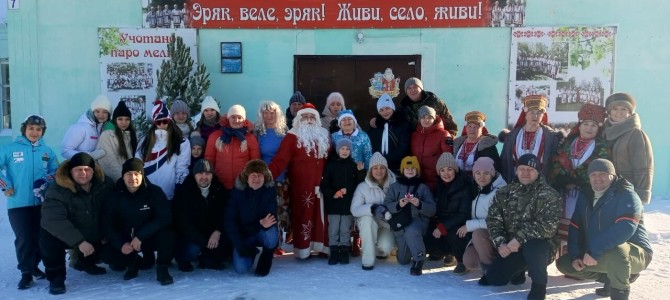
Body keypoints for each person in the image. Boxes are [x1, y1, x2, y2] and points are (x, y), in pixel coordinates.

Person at [556, 159, 653, 300]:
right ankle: (610, 278)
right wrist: (576, 255)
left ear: (612, 176)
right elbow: (576, 227)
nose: (598, 178)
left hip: (636, 252)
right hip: (600, 251)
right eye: (593, 174)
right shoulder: (585, 196)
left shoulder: (627, 194)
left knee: (617, 252)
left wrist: (593, 251)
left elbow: (625, 226)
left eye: (603, 173)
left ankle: (620, 292)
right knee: (565, 264)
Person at [482, 154, 562, 300]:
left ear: (538, 171)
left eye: (530, 169)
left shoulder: (549, 194)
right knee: (495, 279)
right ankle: (518, 271)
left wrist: (519, 239)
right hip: (512, 247)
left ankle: (539, 286)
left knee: (533, 246)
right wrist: (501, 244)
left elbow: (548, 226)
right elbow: (493, 220)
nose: (525, 173)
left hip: (540, 247)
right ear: (516, 171)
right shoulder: (504, 192)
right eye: (521, 169)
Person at [40, 153, 114, 295]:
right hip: (71, 236)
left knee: (118, 260)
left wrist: (109, 234)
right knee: (48, 237)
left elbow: (115, 209)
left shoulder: (105, 185)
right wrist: (79, 241)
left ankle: (87, 262)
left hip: (96, 233)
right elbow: (53, 220)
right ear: (70, 171)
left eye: (87, 169)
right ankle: (56, 277)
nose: (83, 173)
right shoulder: (58, 190)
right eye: (78, 169)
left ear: (93, 170)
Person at [1, 115, 58, 289]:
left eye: (39, 129)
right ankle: (26, 273)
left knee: (42, 238)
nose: (35, 132)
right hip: (18, 204)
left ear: (43, 131)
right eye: (31, 128)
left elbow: (57, 172)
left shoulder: (47, 151)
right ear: (24, 129)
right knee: (25, 238)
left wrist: (46, 181)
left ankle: (34, 266)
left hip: (41, 203)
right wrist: (6, 185)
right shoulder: (9, 149)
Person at [268, 103, 330, 259]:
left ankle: (322, 247)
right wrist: (266, 174)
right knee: (304, 216)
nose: (308, 120)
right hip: (301, 185)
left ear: (316, 119)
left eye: (312, 117)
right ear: (299, 119)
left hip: (322, 185)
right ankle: (304, 249)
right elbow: (280, 160)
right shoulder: (292, 136)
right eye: (305, 116)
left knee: (322, 216)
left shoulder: (324, 134)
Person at [548, 103, 609, 256]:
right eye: (586, 124)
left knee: (579, 226)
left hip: (586, 194)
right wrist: (563, 180)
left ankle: (576, 260)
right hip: (564, 194)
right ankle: (561, 258)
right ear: (580, 126)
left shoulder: (602, 146)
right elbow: (557, 161)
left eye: (593, 125)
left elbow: (599, 168)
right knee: (560, 225)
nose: (589, 128)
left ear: (598, 128)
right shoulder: (568, 142)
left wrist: (575, 180)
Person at [102, 158, 174, 285]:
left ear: (142, 176)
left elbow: (164, 217)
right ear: (123, 176)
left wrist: (141, 236)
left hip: (147, 237)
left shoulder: (154, 192)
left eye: (137, 174)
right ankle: (132, 263)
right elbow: (107, 224)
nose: (133, 177)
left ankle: (162, 267)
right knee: (107, 253)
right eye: (129, 174)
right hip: (126, 240)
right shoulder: (114, 196)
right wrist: (121, 244)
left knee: (167, 234)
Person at [174, 158, 230, 271]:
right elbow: (184, 223)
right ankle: (184, 258)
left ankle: (208, 257)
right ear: (194, 174)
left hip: (212, 234)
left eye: (208, 173)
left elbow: (224, 213)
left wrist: (218, 231)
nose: (204, 177)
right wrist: (204, 243)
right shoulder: (184, 191)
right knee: (192, 251)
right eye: (200, 173)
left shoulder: (219, 189)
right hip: (192, 236)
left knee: (222, 249)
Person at [383, 156, 436, 275]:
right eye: (407, 168)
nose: (410, 170)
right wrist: (398, 204)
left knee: (412, 231)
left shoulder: (423, 187)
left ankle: (418, 259)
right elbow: (386, 204)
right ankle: (408, 249)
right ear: (402, 170)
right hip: (401, 221)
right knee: (402, 260)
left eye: (413, 168)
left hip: (418, 220)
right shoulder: (395, 186)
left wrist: (419, 204)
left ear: (417, 170)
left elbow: (432, 209)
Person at [226, 160, 279, 276]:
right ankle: (252, 252)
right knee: (240, 268)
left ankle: (267, 255)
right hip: (244, 234)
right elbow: (230, 222)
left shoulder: (270, 191)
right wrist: (240, 246)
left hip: (261, 231)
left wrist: (260, 224)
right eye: (253, 175)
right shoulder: (237, 192)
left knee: (271, 233)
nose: (256, 179)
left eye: (260, 175)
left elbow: (271, 217)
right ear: (247, 177)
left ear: (265, 177)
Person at [427, 153, 475, 275]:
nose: (446, 173)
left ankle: (462, 261)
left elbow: (464, 214)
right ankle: (445, 253)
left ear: (455, 170)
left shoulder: (464, 186)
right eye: (442, 170)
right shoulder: (439, 185)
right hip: (443, 222)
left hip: (460, 224)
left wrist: (443, 226)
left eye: (449, 169)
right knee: (427, 232)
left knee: (454, 233)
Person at [601, 93, 654, 204]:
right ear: (609, 112)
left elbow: (643, 168)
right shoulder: (603, 132)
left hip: (627, 191)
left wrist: (640, 196)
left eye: (623, 109)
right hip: (604, 190)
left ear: (630, 112)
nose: (619, 113)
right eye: (615, 109)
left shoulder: (635, 134)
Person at [254, 100, 291, 255]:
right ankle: (270, 242)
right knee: (267, 211)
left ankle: (278, 243)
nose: (269, 116)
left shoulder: (284, 132)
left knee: (281, 211)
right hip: (264, 179)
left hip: (282, 179)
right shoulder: (258, 133)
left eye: (272, 112)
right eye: (266, 113)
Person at [321, 138, 366, 265]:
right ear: (338, 150)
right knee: (334, 229)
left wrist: (360, 172)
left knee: (345, 229)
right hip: (334, 204)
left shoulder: (353, 165)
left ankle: (344, 251)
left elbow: (359, 185)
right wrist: (333, 193)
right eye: (342, 148)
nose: (345, 151)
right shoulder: (331, 165)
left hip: (348, 205)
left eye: (347, 149)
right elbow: (325, 185)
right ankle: (334, 252)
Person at [460, 157, 506, 275]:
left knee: (478, 233)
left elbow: (499, 221)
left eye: (486, 173)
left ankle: (490, 270)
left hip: (499, 236)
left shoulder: (499, 192)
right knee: (469, 261)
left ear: (492, 174)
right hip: (485, 237)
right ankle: (497, 262)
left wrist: (469, 226)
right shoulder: (479, 189)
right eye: (478, 173)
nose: (482, 177)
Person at [499, 95, 562, 183]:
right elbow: (504, 161)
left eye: (539, 113)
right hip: (515, 182)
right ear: (525, 114)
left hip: (541, 185)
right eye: (532, 112)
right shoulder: (512, 136)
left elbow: (555, 163)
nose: (535, 116)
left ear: (543, 116)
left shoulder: (551, 137)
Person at [350, 152, 396, 270]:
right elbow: (354, 209)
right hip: (369, 222)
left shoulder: (394, 185)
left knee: (384, 248)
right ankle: (367, 260)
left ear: (386, 169)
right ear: (370, 170)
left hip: (386, 225)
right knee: (366, 220)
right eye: (375, 168)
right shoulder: (362, 187)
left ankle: (376, 247)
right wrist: (372, 208)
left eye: (382, 168)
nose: (378, 171)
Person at [136, 100, 190, 200]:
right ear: (154, 122)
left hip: (169, 194)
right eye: (158, 121)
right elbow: (137, 165)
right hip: (147, 195)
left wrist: (179, 188)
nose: (162, 124)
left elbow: (182, 168)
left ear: (169, 120)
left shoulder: (181, 142)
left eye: (165, 121)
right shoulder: (144, 140)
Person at [205, 104, 261, 190]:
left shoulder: (250, 138)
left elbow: (255, 163)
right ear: (228, 118)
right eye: (233, 117)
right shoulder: (216, 137)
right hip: (220, 184)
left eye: (239, 117)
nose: (236, 120)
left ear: (244, 120)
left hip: (243, 185)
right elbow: (209, 160)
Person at [410, 106, 453, 192]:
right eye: (423, 117)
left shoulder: (443, 134)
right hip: (418, 180)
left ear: (434, 119)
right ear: (419, 119)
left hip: (437, 181)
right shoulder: (414, 135)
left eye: (430, 117)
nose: (426, 120)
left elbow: (448, 158)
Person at [367, 93, 411, 175]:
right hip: (379, 168)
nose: (385, 112)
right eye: (381, 110)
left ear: (393, 108)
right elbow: (371, 147)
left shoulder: (402, 124)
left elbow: (403, 147)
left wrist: (386, 159)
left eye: (387, 108)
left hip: (397, 167)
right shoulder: (376, 127)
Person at [96, 101, 138, 181]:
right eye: (120, 119)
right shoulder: (107, 135)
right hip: (116, 181)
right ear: (115, 120)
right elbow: (110, 163)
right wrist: (123, 181)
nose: (124, 123)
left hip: (129, 179)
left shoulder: (129, 134)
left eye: (127, 119)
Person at [61, 95, 112, 160]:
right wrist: (89, 156)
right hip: (79, 167)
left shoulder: (105, 128)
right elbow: (65, 151)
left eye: (105, 112)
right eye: (97, 111)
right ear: (92, 112)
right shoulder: (80, 128)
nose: (101, 115)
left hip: (95, 167)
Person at [452, 111, 501, 176]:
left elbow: (495, 168)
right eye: (469, 126)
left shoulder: (487, 146)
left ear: (481, 129)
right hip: (459, 182)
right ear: (466, 128)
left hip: (479, 182)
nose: (472, 129)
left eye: (476, 127)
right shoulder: (457, 144)